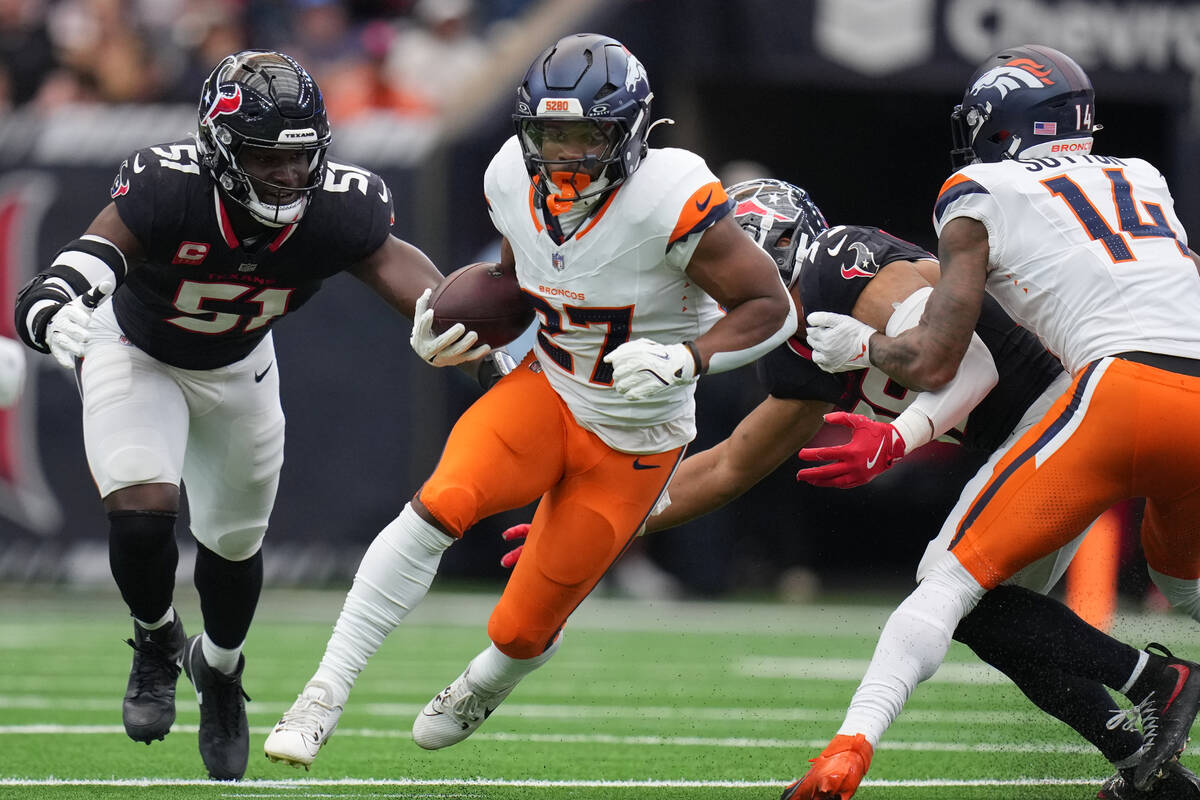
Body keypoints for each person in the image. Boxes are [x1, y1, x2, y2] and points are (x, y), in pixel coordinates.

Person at [500, 177, 1200, 800]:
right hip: (1032, 436)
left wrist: (903, 434)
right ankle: (1146, 760)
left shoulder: (843, 266)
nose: (723, 289)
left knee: (947, 588)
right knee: (980, 612)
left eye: (736, 268)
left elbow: (968, 362)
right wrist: (605, 520)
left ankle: (1155, 686)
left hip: (1067, 416)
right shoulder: (793, 332)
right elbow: (732, 464)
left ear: (779, 248)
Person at [261, 32, 796, 768]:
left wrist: (687, 357)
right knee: (439, 503)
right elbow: (522, 279)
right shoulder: (511, 175)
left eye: (587, 136)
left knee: (519, 630)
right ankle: (322, 691)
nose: (566, 154)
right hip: (547, 391)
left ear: (632, 131)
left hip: (638, 439)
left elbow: (772, 307)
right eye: (551, 134)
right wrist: (458, 330)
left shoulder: (672, 197)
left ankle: (491, 677)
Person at [13, 50, 495, 781]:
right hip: (136, 347)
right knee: (142, 510)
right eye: (267, 158)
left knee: (232, 548)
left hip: (240, 366)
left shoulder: (340, 204)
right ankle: (154, 639)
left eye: (301, 159)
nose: (288, 177)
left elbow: (417, 284)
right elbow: (95, 253)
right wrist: (49, 301)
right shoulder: (168, 187)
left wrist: (465, 339)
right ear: (219, 147)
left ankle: (222, 672)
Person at [793, 44, 1200, 799]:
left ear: (1003, 124)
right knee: (1186, 592)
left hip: (1120, 393)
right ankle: (1151, 771)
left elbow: (938, 354)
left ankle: (849, 747)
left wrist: (865, 344)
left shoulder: (978, 187)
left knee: (945, 582)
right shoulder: (1140, 175)